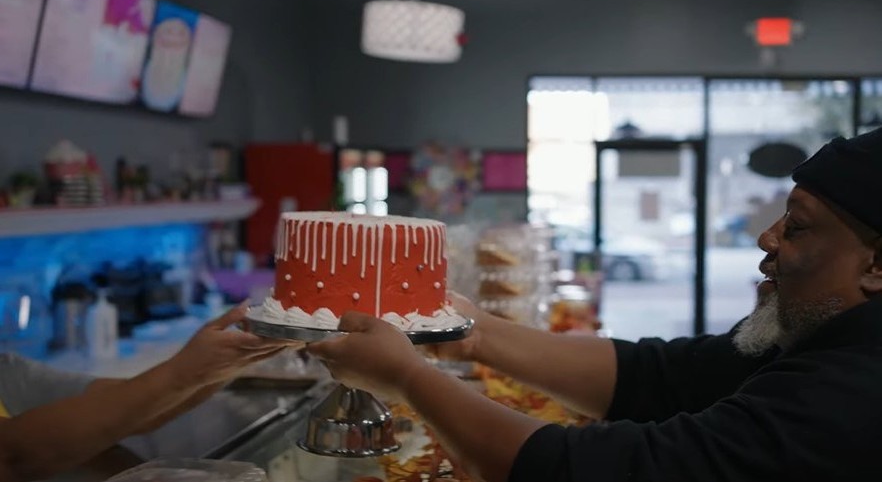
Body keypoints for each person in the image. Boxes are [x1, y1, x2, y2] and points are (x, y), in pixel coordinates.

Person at [308, 128, 882, 482]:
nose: (768, 238)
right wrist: (474, 330)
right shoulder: (812, 333)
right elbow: (654, 377)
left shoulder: (852, 392)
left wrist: (408, 378)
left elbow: (595, 470)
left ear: (876, 266)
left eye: (799, 228)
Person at [0, 304, 296, 482]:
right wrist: (186, 370)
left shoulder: (9, 370)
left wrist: (234, 358)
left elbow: (130, 408)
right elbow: (13, 456)